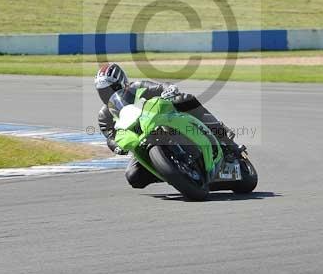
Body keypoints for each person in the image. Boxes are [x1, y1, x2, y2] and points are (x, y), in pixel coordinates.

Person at [95, 62, 241, 189]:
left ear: (121, 82)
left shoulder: (138, 87)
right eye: (102, 91)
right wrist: (116, 146)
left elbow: (160, 87)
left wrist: (168, 89)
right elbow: (110, 137)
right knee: (133, 177)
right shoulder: (104, 116)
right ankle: (175, 173)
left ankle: (222, 134)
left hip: (164, 122)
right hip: (141, 141)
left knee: (185, 99)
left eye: (110, 88)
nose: (107, 94)